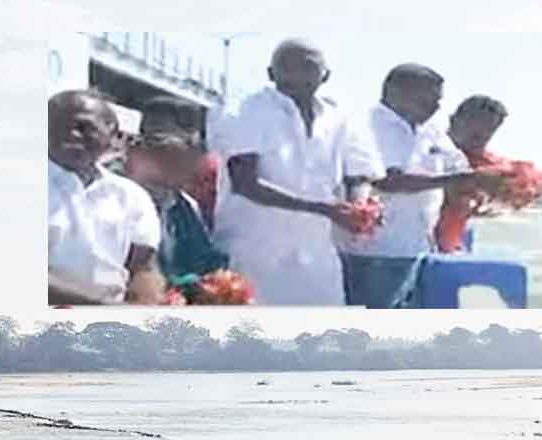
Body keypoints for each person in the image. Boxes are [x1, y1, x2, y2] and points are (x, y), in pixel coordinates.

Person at [212, 39, 366, 306]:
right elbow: (246, 184)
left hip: (316, 255)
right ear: (271, 73)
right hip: (255, 252)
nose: (297, 75)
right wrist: (326, 209)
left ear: (325, 75)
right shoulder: (245, 111)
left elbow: (359, 172)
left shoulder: (337, 118)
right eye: (287, 67)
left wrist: (362, 208)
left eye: (307, 67)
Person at [339, 66, 509, 307]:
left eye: (438, 100)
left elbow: (458, 169)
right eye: (429, 99)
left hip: (419, 250)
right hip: (375, 253)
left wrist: (495, 186)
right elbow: (389, 182)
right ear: (395, 92)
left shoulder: (431, 130)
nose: (436, 107)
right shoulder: (365, 127)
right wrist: (463, 179)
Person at [48, 90, 168, 306]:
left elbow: (144, 268)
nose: (72, 135)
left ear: (112, 134)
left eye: (83, 127)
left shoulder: (131, 196)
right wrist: (98, 308)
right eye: (57, 126)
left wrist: (142, 306)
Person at [126, 130, 230, 286]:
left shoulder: (184, 205)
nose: (185, 172)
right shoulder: (118, 196)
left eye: (182, 163)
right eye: (168, 161)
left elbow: (204, 255)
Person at [435, 95, 510, 252]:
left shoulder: (490, 165)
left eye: (488, 135)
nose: (480, 141)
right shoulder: (427, 152)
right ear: (453, 120)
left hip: (449, 248)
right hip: (411, 245)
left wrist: (492, 203)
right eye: (474, 134)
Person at [137, 96, 220, 227]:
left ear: (192, 137)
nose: (146, 146)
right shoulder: (124, 185)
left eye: (157, 138)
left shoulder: (213, 176)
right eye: (143, 136)